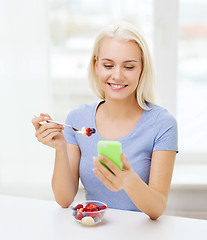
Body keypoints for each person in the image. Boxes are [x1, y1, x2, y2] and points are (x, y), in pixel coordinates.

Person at [32, 22, 178, 220]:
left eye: (129, 66)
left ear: (142, 69)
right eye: (108, 65)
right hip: (94, 229)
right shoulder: (77, 119)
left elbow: (157, 208)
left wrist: (129, 180)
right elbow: (64, 199)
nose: (117, 75)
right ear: (96, 66)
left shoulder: (163, 124)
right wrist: (60, 148)